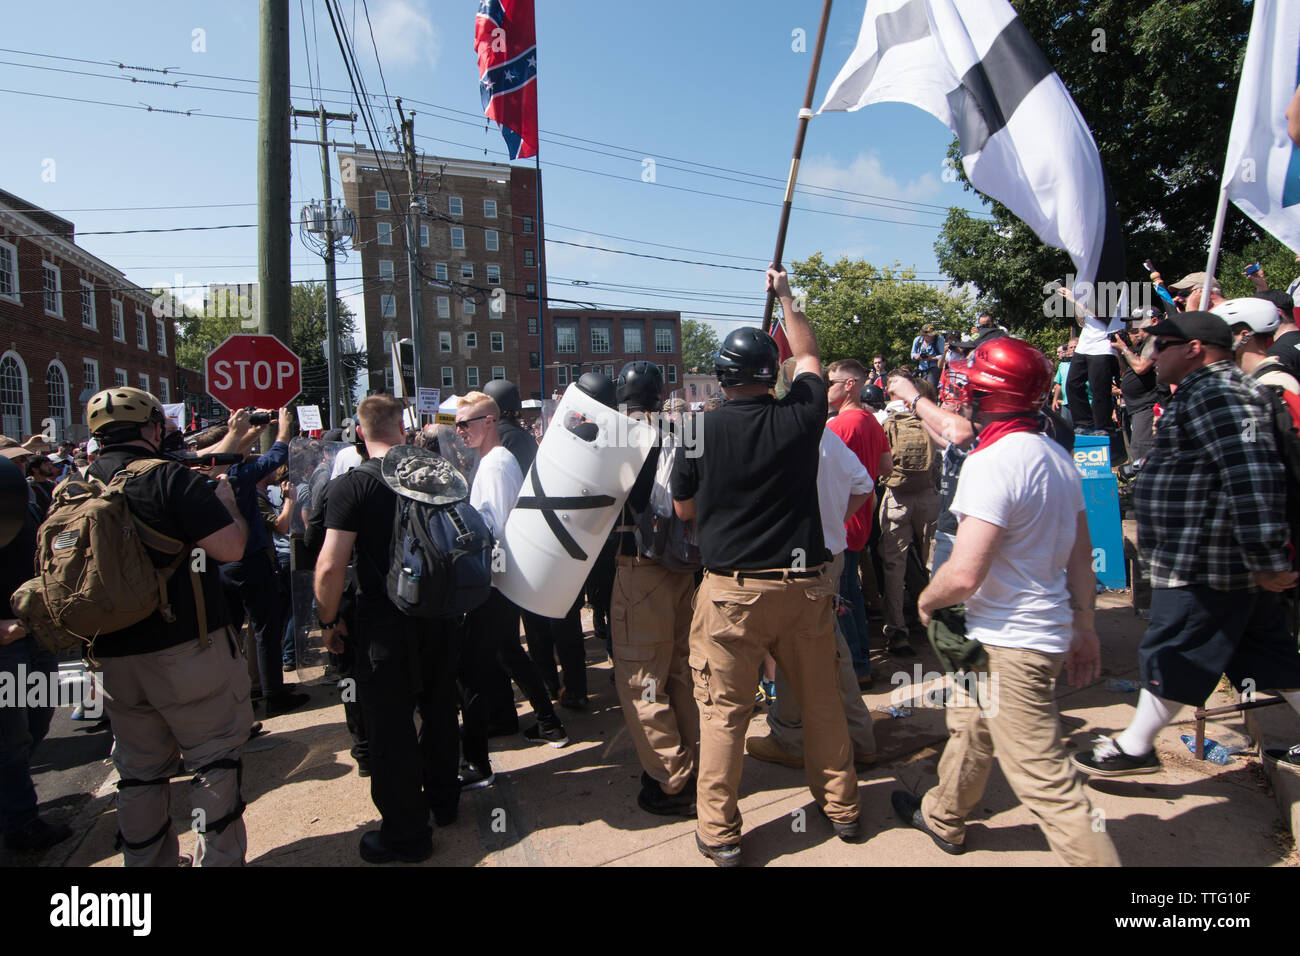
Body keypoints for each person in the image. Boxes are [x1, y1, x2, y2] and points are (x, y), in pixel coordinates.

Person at [889, 339, 1119, 866]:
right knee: (971, 722)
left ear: (984, 392)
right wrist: (1084, 624)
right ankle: (944, 814)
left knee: (1048, 785)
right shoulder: (1058, 457)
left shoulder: (991, 462)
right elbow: (1084, 557)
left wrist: (927, 600)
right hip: (1020, 632)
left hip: (1013, 644)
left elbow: (966, 572)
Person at [673, 267, 860, 866]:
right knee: (822, 701)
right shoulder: (803, 418)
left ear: (721, 377)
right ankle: (843, 809)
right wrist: (784, 296)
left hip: (731, 591)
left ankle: (721, 833)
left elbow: (683, 510)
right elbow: (810, 355)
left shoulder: (695, 431)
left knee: (723, 715)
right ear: (770, 373)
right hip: (805, 589)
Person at [1073, 311, 1300, 777]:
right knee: (1268, 657)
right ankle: (1135, 745)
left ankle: (1135, 746)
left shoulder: (1222, 395)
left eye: (1163, 345)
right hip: (1216, 561)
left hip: (1207, 562)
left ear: (1194, 349)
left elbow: (1252, 478)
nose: (1151, 355)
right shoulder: (1202, 393)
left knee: (1172, 650)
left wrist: (1266, 557)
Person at [85, 387, 252, 866]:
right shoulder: (170, 480)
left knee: (138, 773)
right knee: (213, 763)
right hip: (186, 649)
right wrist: (226, 499)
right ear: (154, 428)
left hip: (113, 655)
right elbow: (230, 548)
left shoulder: (77, 483)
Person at [315, 394, 461, 862]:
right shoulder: (435, 474)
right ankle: (445, 801)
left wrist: (327, 620)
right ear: (403, 427)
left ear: (360, 431)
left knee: (391, 728)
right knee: (440, 709)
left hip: (384, 623)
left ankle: (407, 834)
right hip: (438, 613)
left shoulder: (352, 486)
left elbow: (330, 566)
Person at [746, 420, 878, 770]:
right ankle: (801, 733)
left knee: (818, 649)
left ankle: (818, 737)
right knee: (811, 648)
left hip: (800, 563)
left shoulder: (779, 436)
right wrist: (834, 520)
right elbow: (865, 485)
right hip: (825, 557)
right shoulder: (826, 437)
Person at [455, 390, 567, 791]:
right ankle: (550, 723)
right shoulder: (490, 461)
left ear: (489, 422)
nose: (460, 431)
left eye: (465, 423)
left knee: (476, 667)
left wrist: (489, 582)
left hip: (494, 581)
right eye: (457, 424)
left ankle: (477, 762)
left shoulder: (498, 464)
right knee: (506, 654)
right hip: (494, 581)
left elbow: (502, 528)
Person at [606, 361, 701, 816]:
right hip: (682, 567)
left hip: (638, 569)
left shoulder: (618, 435)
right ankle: (691, 764)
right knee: (678, 671)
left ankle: (671, 780)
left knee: (642, 678)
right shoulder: (682, 429)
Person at [203, 408, 307, 717]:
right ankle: (273, 694)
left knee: (230, 633)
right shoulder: (235, 475)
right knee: (266, 628)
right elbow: (273, 459)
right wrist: (284, 430)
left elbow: (236, 453)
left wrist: (251, 430)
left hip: (221, 564)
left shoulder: (203, 473)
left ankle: (240, 695)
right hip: (250, 561)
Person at [0, 469, 68, 853]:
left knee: (38, 720)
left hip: (33, 633)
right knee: (11, 737)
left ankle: (14, 801)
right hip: (6, 645)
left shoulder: (22, 498)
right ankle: (20, 823)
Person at [825, 359, 893, 687]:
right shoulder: (871, 422)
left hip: (842, 523)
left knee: (844, 599)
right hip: (862, 518)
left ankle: (856, 667)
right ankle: (861, 661)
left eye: (831, 382)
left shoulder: (836, 428)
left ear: (849, 384)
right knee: (851, 592)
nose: (826, 388)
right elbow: (887, 469)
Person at [878, 373, 942, 657]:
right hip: (929, 496)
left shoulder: (885, 419)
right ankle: (939, 625)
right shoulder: (931, 419)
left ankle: (897, 631)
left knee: (894, 567)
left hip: (897, 497)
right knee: (934, 563)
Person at [1057, 284, 1123, 434]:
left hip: (1103, 344)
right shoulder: (1090, 290)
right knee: (1073, 384)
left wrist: (1074, 298)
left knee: (1098, 387)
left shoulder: (1119, 286)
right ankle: (1084, 423)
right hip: (1085, 343)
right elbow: (1082, 321)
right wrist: (1074, 303)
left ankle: (1103, 426)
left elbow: (1101, 314)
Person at [1112, 314, 1159, 463]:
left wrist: (1124, 348)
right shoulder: (1141, 346)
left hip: (1147, 405)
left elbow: (1140, 367)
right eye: (1131, 328)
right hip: (1135, 406)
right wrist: (1120, 351)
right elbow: (1126, 372)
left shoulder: (1155, 340)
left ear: (1154, 321)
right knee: (1135, 448)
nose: (1133, 330)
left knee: (1142, 449)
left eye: (1136, 327)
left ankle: (1144, 483)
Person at [1050, 337, 1077, 427]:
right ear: (1067, 350)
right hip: (1066, 403)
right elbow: (1058, 384)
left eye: (1075, 347)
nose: (1073, 349)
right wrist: (1055, 400)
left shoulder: (1086, 363)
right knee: (1066, 429)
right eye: (1071, 347)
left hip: (1084, 403)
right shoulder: (1062, 365)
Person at [910, 325, 946, 389]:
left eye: (932, 334)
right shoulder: (917, 340)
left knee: (930, 388)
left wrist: (931, 358)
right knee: (921, 389)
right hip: (921, 368)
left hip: (934, 368)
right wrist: (916, 356)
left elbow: (943, 355)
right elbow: (912, 354)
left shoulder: (939, 340)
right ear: (923, 334)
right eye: (929, 335)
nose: (932, 336)